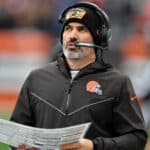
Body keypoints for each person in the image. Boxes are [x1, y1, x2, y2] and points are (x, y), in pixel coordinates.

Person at [10, 2, 147, 150]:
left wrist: (94, 146)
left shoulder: (117, 83)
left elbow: (137, 139)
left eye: (81, 29)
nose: (72, 36)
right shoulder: (36, 78)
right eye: (68, 28)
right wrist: (20, 145)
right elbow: (16, 135)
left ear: (98, 37)